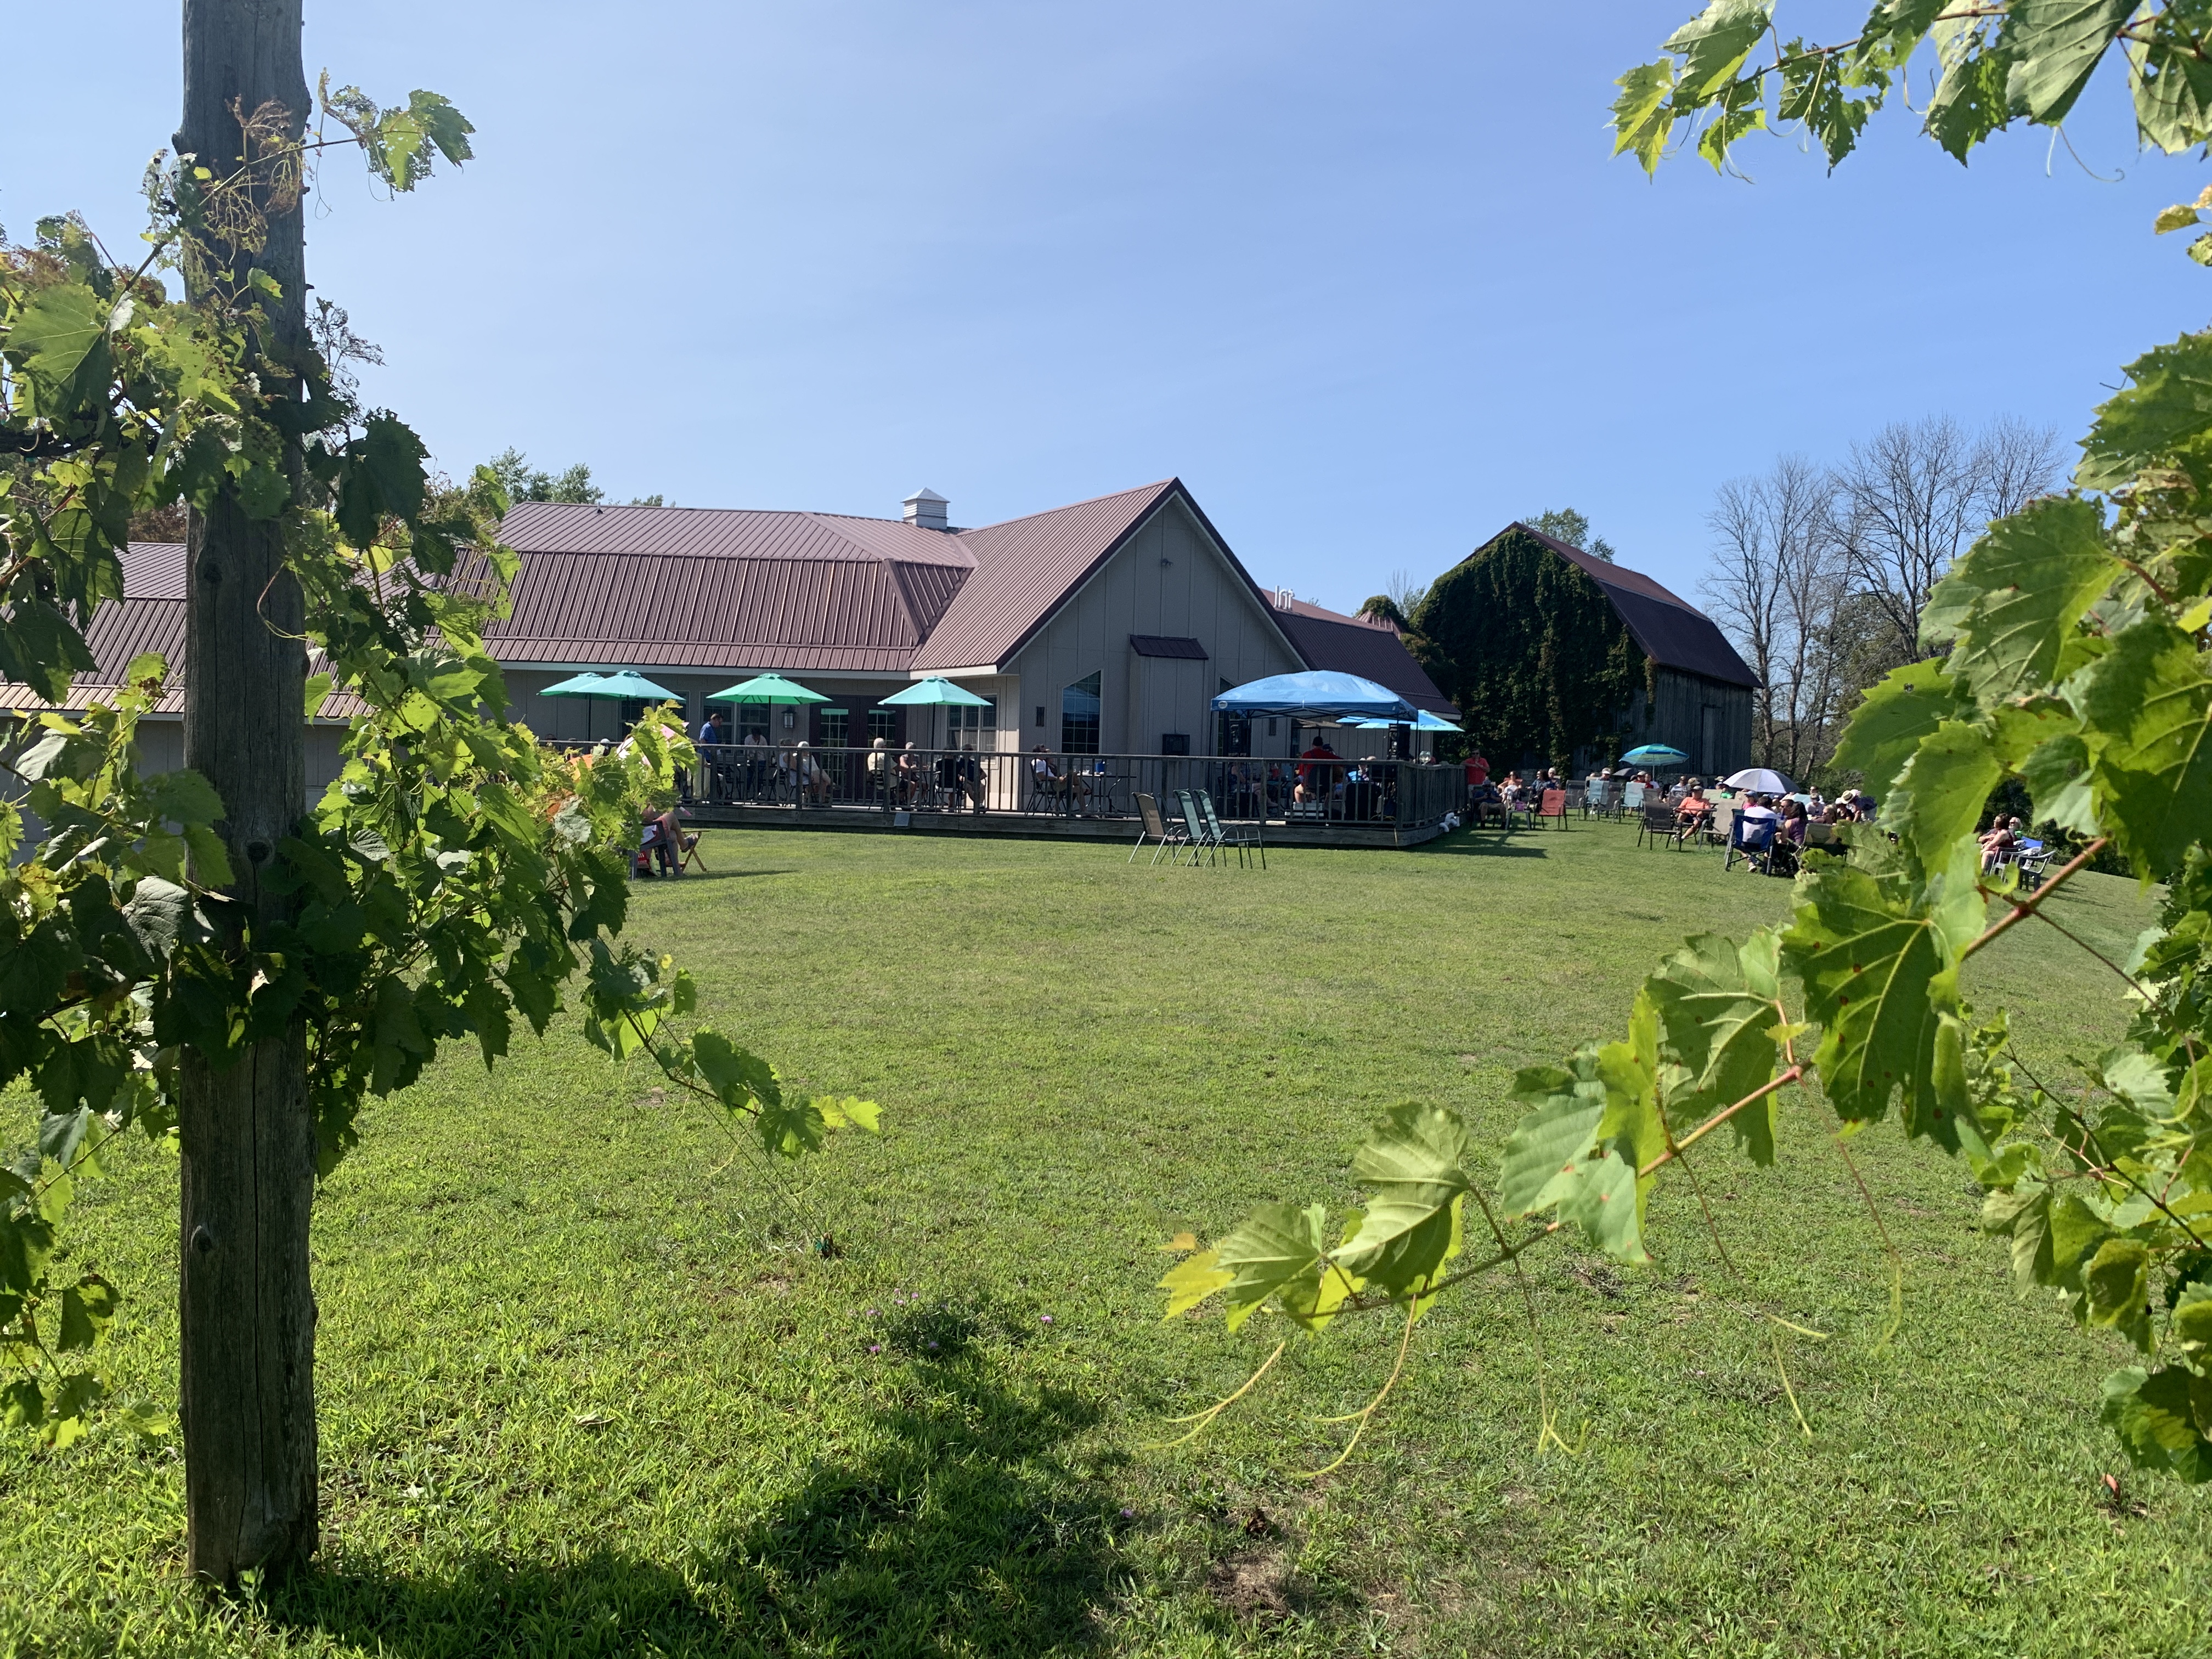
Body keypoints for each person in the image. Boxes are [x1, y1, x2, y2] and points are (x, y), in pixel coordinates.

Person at [1297, 738, 1340, 804]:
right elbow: (1341, 761)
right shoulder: (1327, 755)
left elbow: (1301, 772)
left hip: (1310, 785)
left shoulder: (1306, 755)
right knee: (1331, 790)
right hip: (1326, 785)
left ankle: (1302, 808)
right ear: (1322, 745)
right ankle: (1325, 807)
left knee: (1297, 791)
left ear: (1313, 745)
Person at [954, 743, 987, 812]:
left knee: (982, 787)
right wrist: (970, 782)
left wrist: (977, 780)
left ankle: (980, 804)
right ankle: (978, 805)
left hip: (975, 782)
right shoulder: (959, 763)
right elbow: (959, 776)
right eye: (969, 750)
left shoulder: (974, 763)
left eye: (971, 750)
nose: (971, 751)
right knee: (969, 787)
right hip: (964, 783)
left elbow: (984, 774)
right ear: (963, 751)